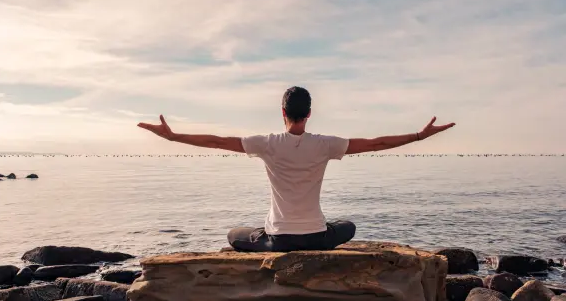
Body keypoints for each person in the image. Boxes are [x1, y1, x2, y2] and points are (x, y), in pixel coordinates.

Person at [138, 86, 455, 252]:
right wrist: (418, 135)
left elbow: (217, 141)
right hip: (317, 237)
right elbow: (375, 144)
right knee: (348, 227)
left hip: (279, 241)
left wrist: (174, 136)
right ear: (309, 113)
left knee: (234, 235)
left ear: (283, 112)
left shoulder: (267, 143)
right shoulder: (326, 144)